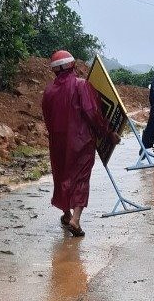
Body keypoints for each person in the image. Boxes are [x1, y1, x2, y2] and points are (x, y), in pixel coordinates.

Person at [41, 50, 120, 236]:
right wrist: (108, 133)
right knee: (81, 178)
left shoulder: (49, 90)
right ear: (72, 65)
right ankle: (75, 220)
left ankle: (66, 214)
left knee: (62, 176)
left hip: (58, 142)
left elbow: (47, 118)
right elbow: (93, 113)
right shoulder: (81, 85)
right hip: (81, 142)